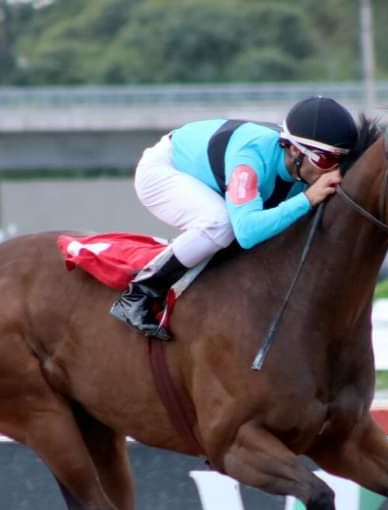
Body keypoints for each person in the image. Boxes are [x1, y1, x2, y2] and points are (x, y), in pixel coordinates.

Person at [109, 95, 359, 341]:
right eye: (326, 160)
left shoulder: (303, 169)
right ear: (295, 149)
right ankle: (138, 294)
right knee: (220, 223)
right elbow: (247, 232)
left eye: (340, 162)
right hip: (165, 170)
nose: (332, 170)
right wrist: (307, 199)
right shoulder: (251, 157)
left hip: (212, 179)